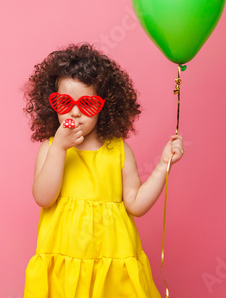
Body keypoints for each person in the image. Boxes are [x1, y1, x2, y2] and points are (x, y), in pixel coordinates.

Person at [23, 43, 184, 297]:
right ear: (51, 103)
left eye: (86, 104)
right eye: (65, 102)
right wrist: (59, 149)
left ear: (105, 107)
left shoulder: (119, 151)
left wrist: (164, 164)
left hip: (112, 266)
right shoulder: (51, 148)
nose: (75, 112)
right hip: (66, 267)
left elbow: (136, 205)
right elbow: (43, 197)